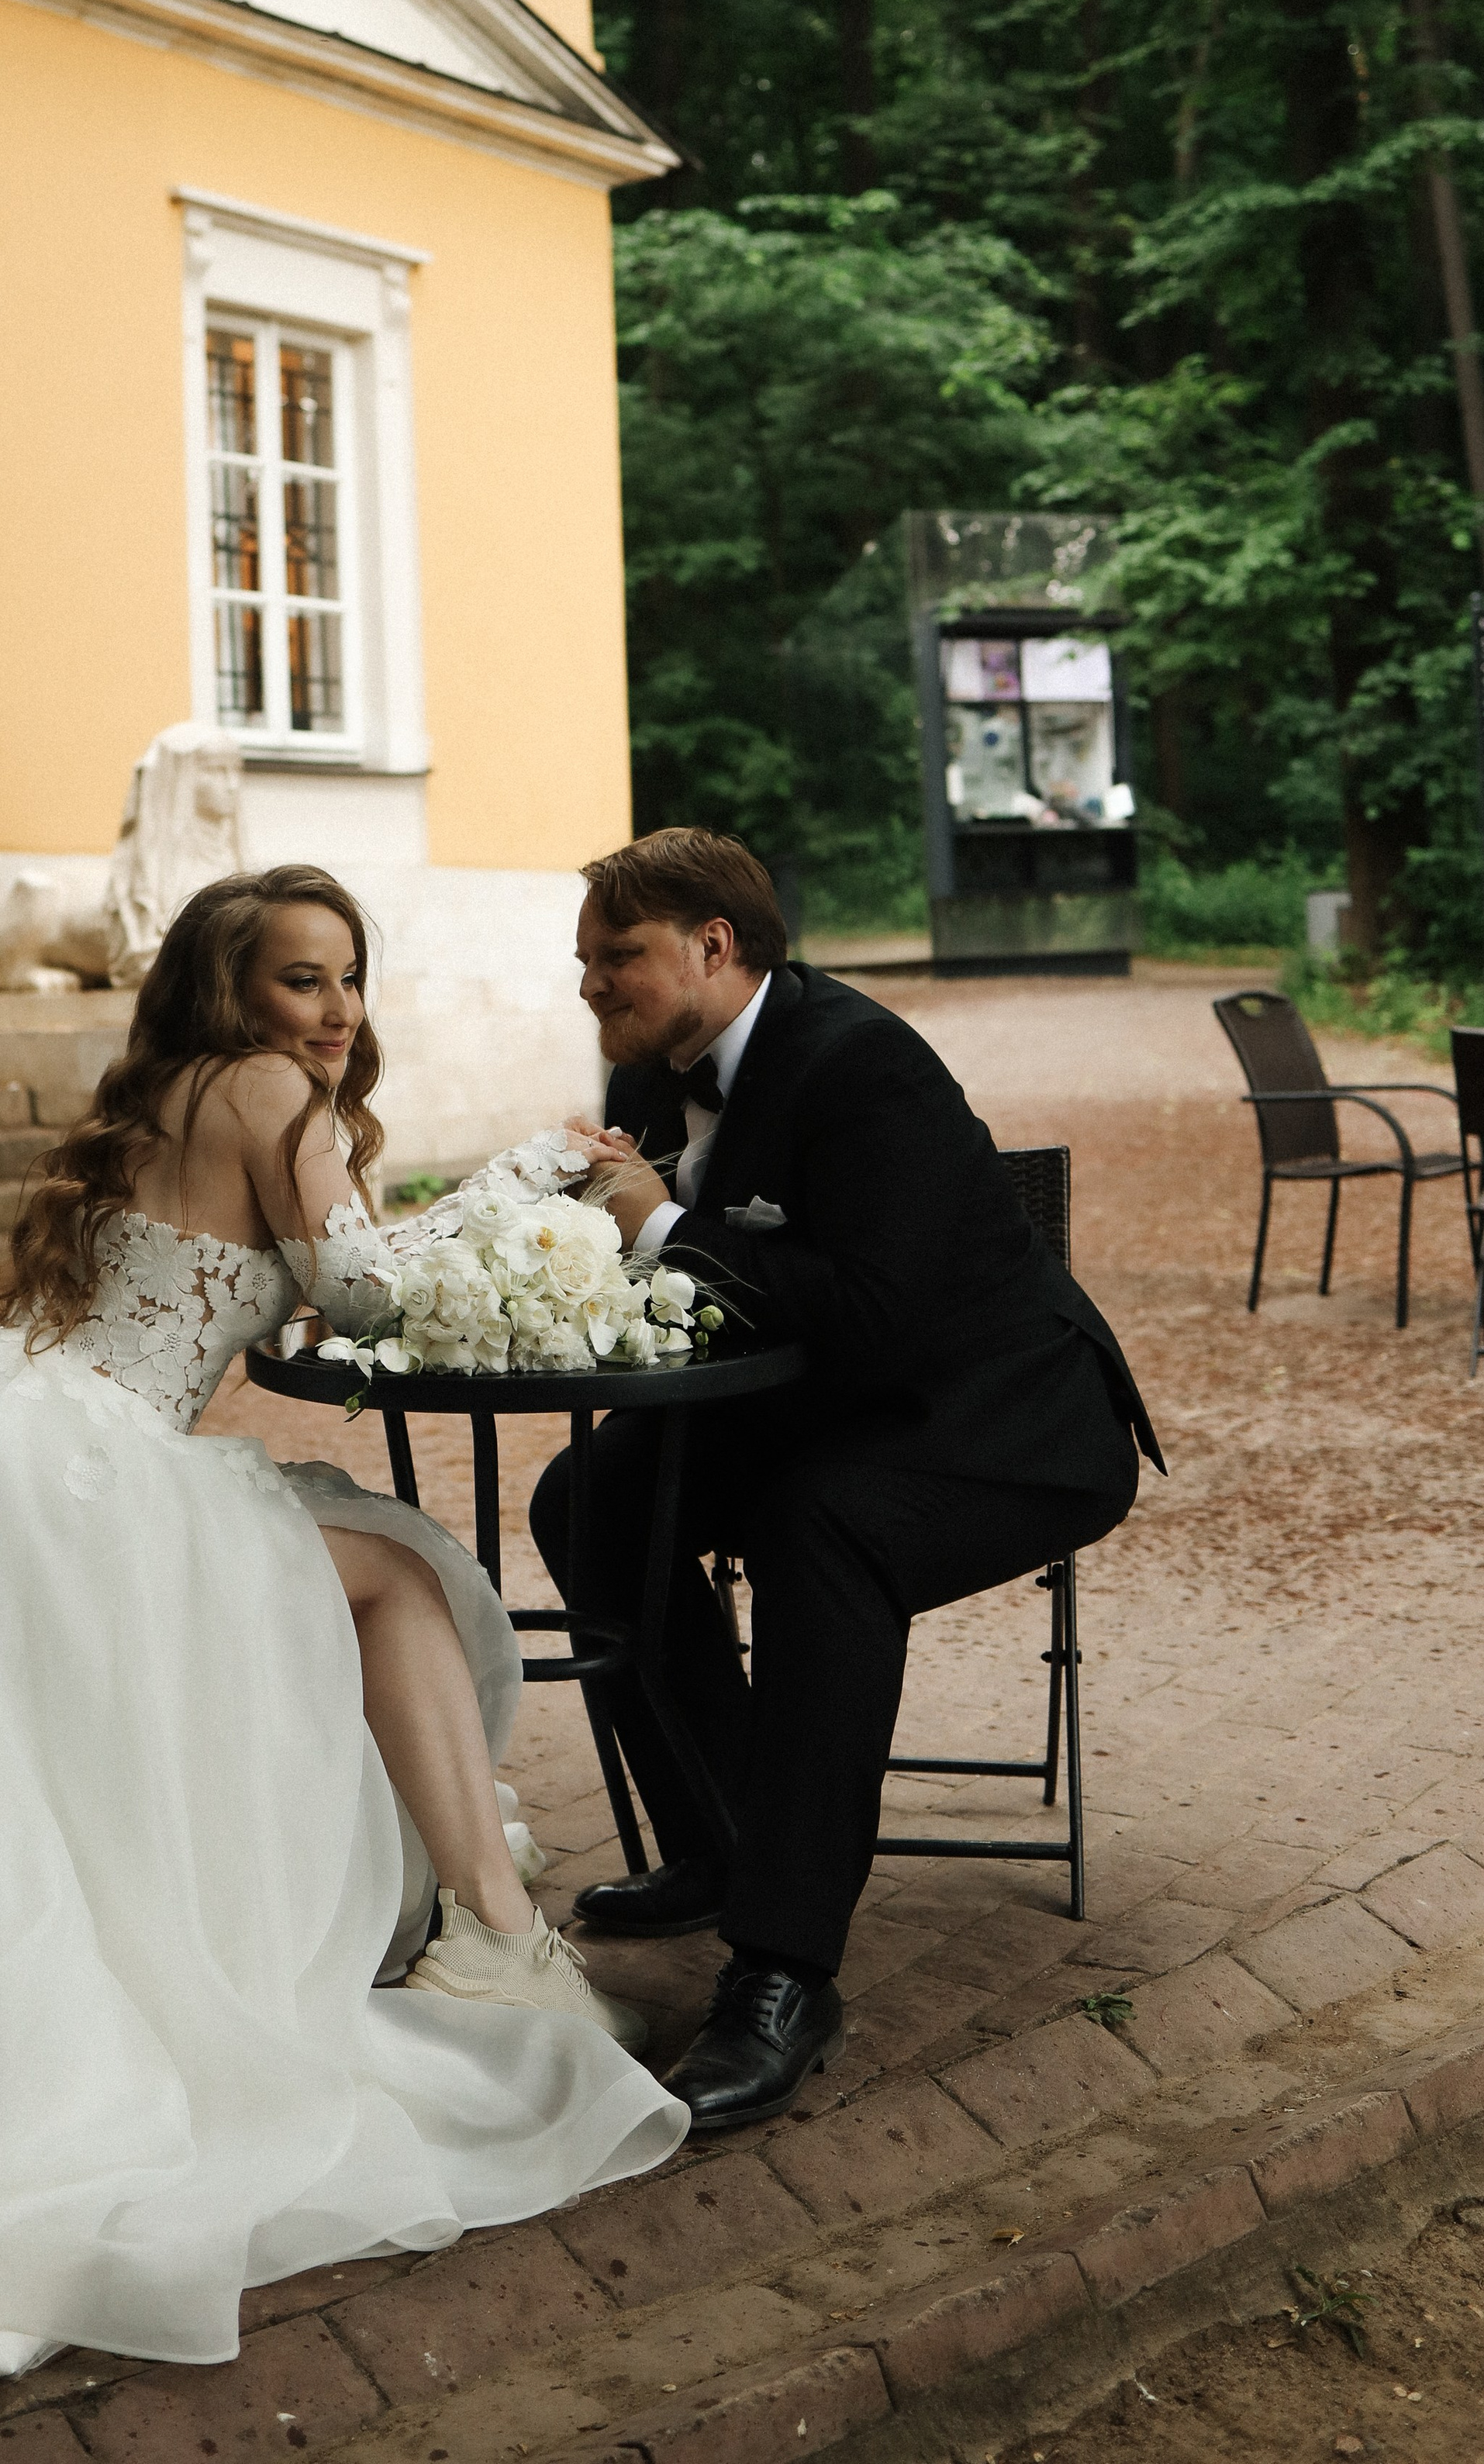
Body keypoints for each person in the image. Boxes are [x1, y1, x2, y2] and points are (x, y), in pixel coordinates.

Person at [0, 864, 684, 2410]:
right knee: (407, 1581)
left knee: (372, 1560)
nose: (336, 1011)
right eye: (303, 980)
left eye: (349, 979)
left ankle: (478, 1926)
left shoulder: (171, 1088)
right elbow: (363, 1305)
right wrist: (545, 1192)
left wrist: (490, 1193)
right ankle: (494, 1941)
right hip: (94, 1491)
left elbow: (312, 1285)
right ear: (236, 990)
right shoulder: (271, 1098)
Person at [529, 827, 1161, 2136]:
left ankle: (784, 1970)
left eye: (618, 957)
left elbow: (881, 1315)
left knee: (821, 1529)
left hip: (1003, 1421)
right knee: (590, 1495)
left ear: (717, 946)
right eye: (584, 960)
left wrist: (659, 1222)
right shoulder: (649, 1072)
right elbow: (694, 1277)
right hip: (830, 1406)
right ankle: (723, 1837)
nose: (592, 983)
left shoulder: (863, 1064)